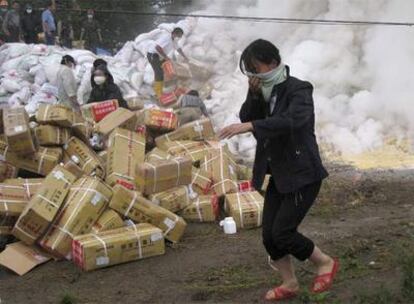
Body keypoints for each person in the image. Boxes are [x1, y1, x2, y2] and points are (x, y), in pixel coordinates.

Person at [219, 39, 339, 301]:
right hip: (280, 174)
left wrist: (252, 125)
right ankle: (290, 283)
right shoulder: (262, 92)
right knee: (269, 236)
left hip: (303, 173)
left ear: (272, 62)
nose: (253, 75)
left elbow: (292, 121)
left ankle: (325, 262)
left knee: (283, 232)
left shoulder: (298, 89)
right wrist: (252, 95)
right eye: (249, 71)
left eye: (255, 68)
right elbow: (246, 116)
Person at [147, 27, 189, 98]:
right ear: (175, 33)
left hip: (160, 56)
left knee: (167, 69)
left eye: (180, 37)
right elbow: (158, 47)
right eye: (179, 36)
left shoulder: (173, 40)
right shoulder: (167, 38)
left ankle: (159, 88)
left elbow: (178, 49)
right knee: (159, 73)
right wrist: (166, 57)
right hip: (153, 55)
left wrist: (185, 57)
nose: (179, 38)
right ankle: (158, 93)